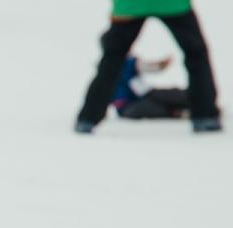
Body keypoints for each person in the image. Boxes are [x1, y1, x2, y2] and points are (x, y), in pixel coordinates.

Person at [76, 0, 222, 133]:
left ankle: (88, 118)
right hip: (171, 4)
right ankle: (205, 115)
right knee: (196, 54)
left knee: (113, 58)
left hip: (130, 5)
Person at [114, 55, 193, 119]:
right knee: (145, 108)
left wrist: (160, 65)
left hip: (145, 95)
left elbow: (146, 66)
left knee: (168, 95)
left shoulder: (129, 62)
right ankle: (178, 112)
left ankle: (194, 101)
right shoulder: (113, 65)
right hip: (129, 108)